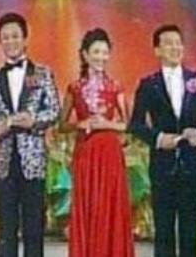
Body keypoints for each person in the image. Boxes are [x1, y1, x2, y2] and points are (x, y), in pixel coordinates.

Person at [129, 24, 196, 257]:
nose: (175, 47)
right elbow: (136, 124)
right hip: (162, 166)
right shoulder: (148, 85)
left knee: (190, 231)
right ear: (157, 50)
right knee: (164, 231)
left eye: (178, 43)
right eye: (168, 43)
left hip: (192, 164)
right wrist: (158, 138)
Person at [0, 12, 61, 257]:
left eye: (15, 36)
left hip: (33, 160)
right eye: (5, 37)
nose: (10, 41)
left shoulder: (43, 73)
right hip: (4, 159)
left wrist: (34, 121)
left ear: (25, 39)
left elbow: (54, 110)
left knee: (34, 227)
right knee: (7, 227)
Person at [63, 28, 134, 257]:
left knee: (109, 206)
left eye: (105, 52)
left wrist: (106, 124)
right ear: (85, 54)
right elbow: (61, 125)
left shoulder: (115, 86)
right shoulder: (75, 87)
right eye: (96, 52)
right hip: (86, 154)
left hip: (110, 155)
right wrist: (80, 124)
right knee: (89, 206)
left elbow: (129, 126)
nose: (101, 57)